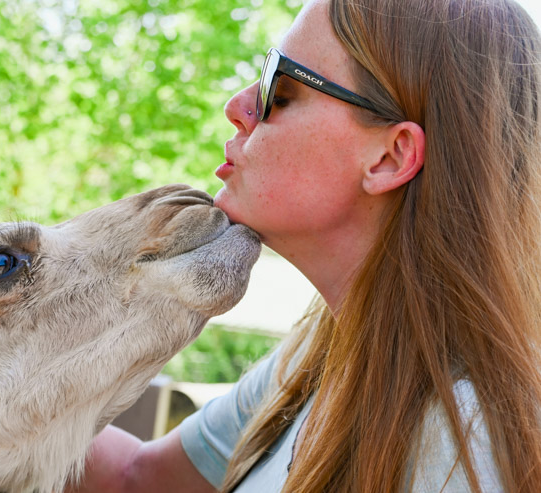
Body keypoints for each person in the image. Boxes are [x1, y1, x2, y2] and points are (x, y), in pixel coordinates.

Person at [67, 0, 541, 491]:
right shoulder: (310, 361)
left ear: (388, 158)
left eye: (281, 87)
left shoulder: (464, 451)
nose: (237, 107)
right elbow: (135, 479)